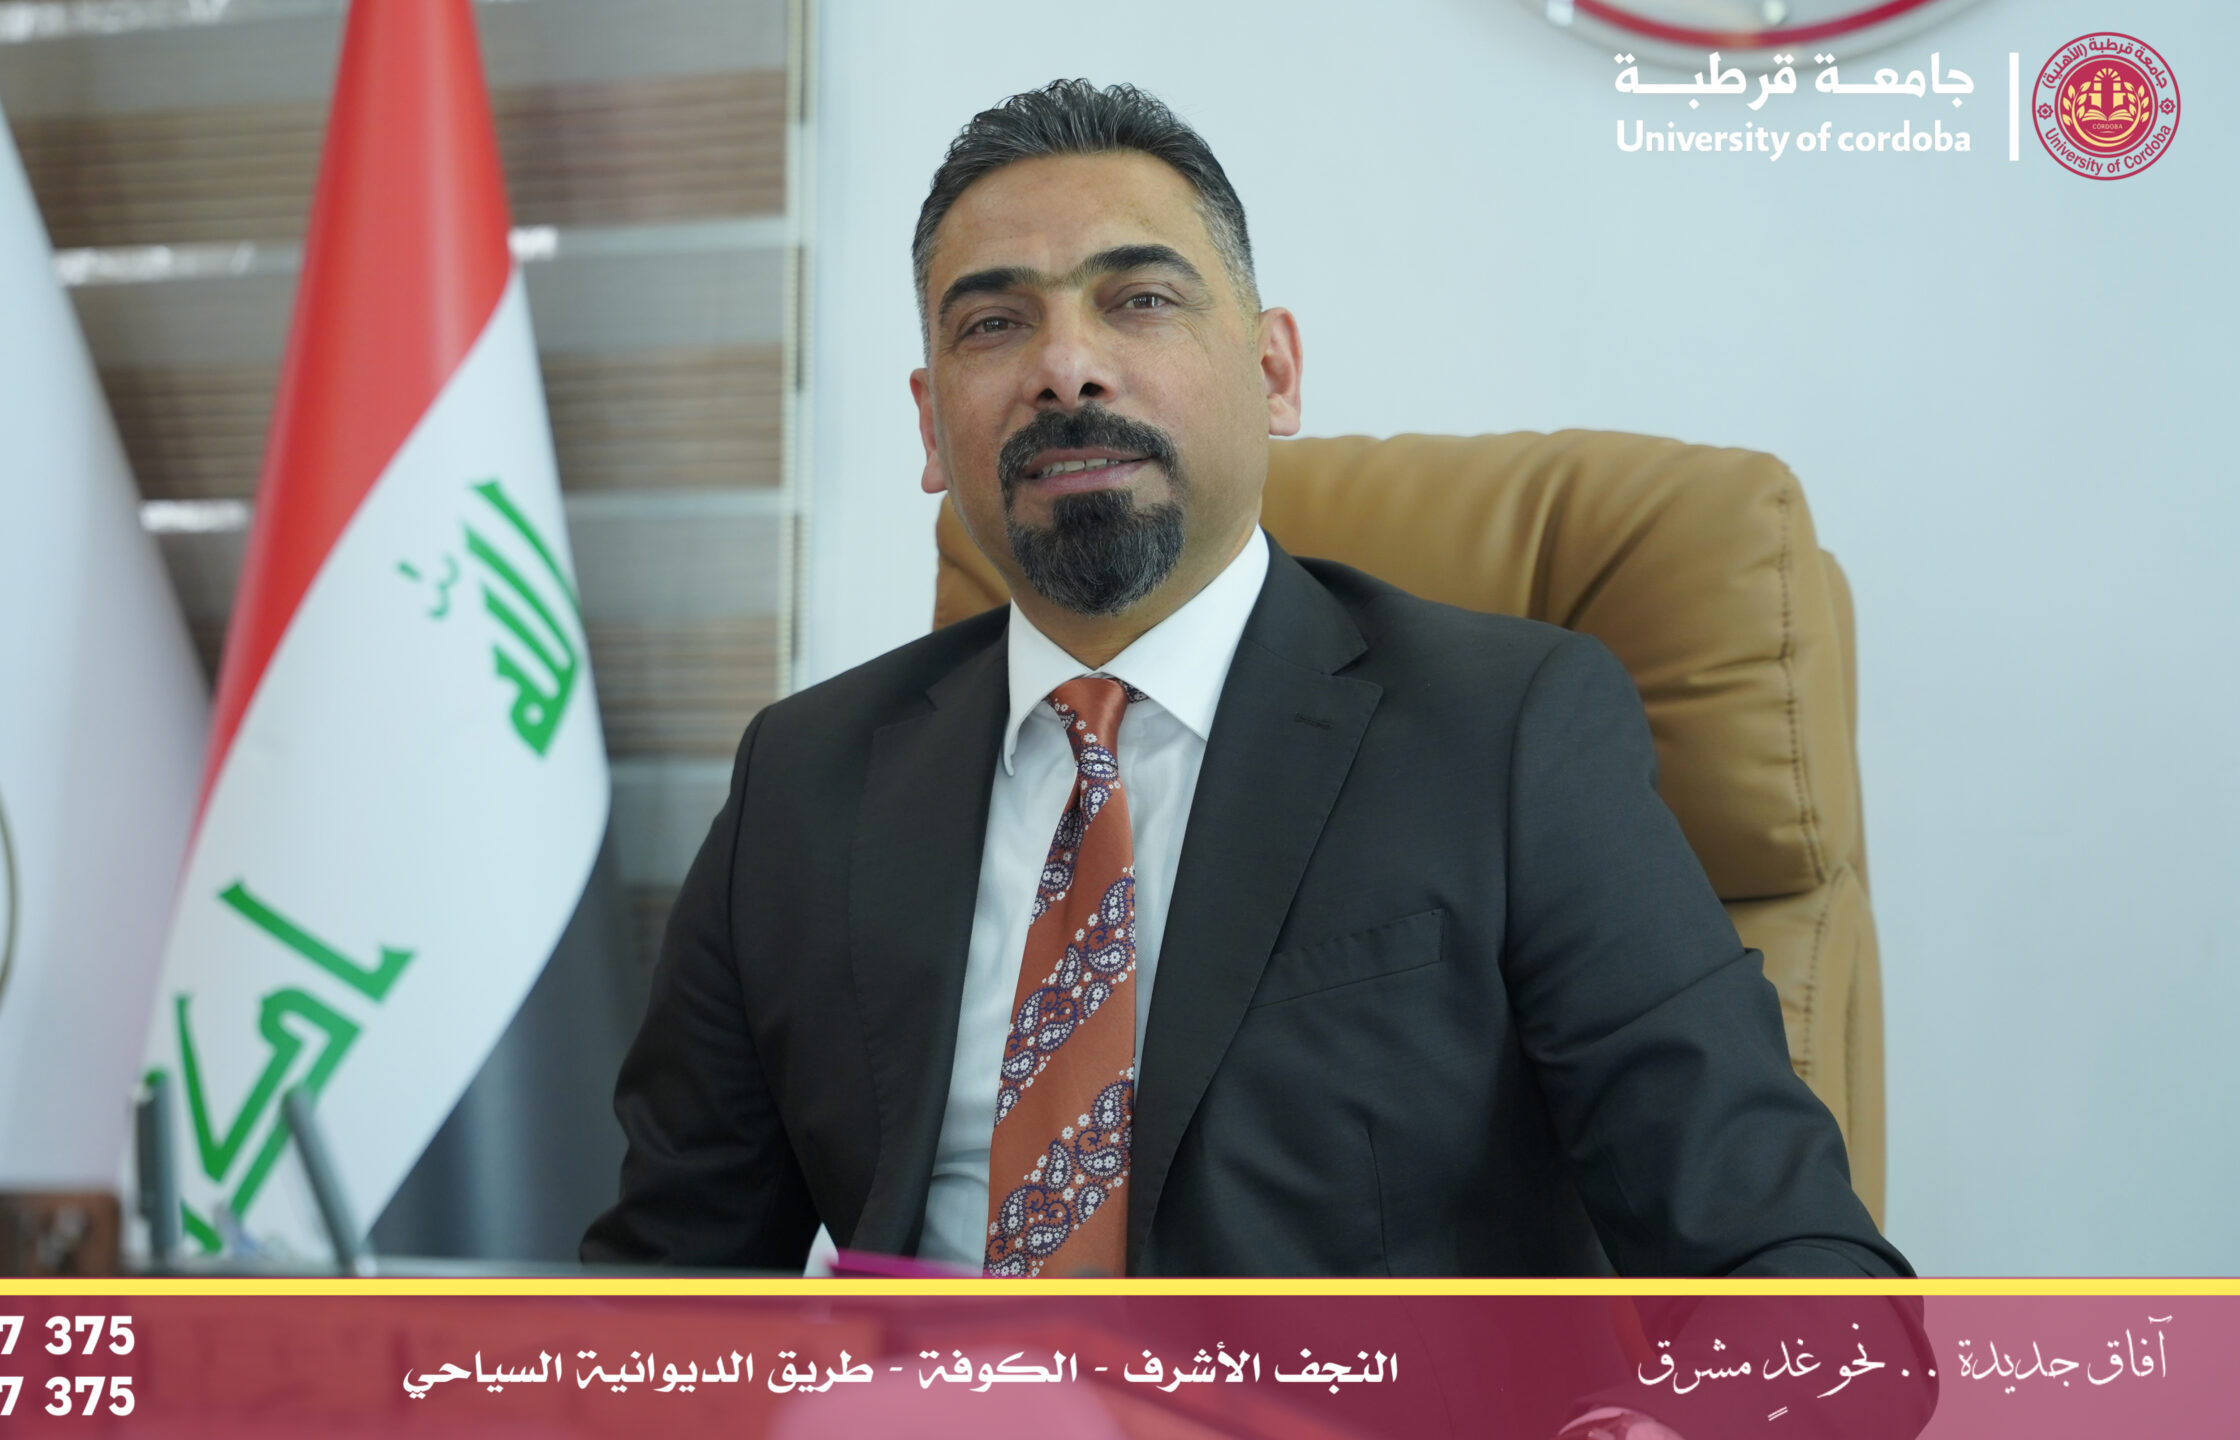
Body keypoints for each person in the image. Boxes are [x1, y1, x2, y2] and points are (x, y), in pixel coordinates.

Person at [584, 77, 1906, 1294]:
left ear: (1273, 373)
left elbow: (1792, 1268)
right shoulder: (805, 781)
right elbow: (662, 1287)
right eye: (995, 323)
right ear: (933, 426)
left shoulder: (1505, 736)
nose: (1065, 367)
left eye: (1140, 301)